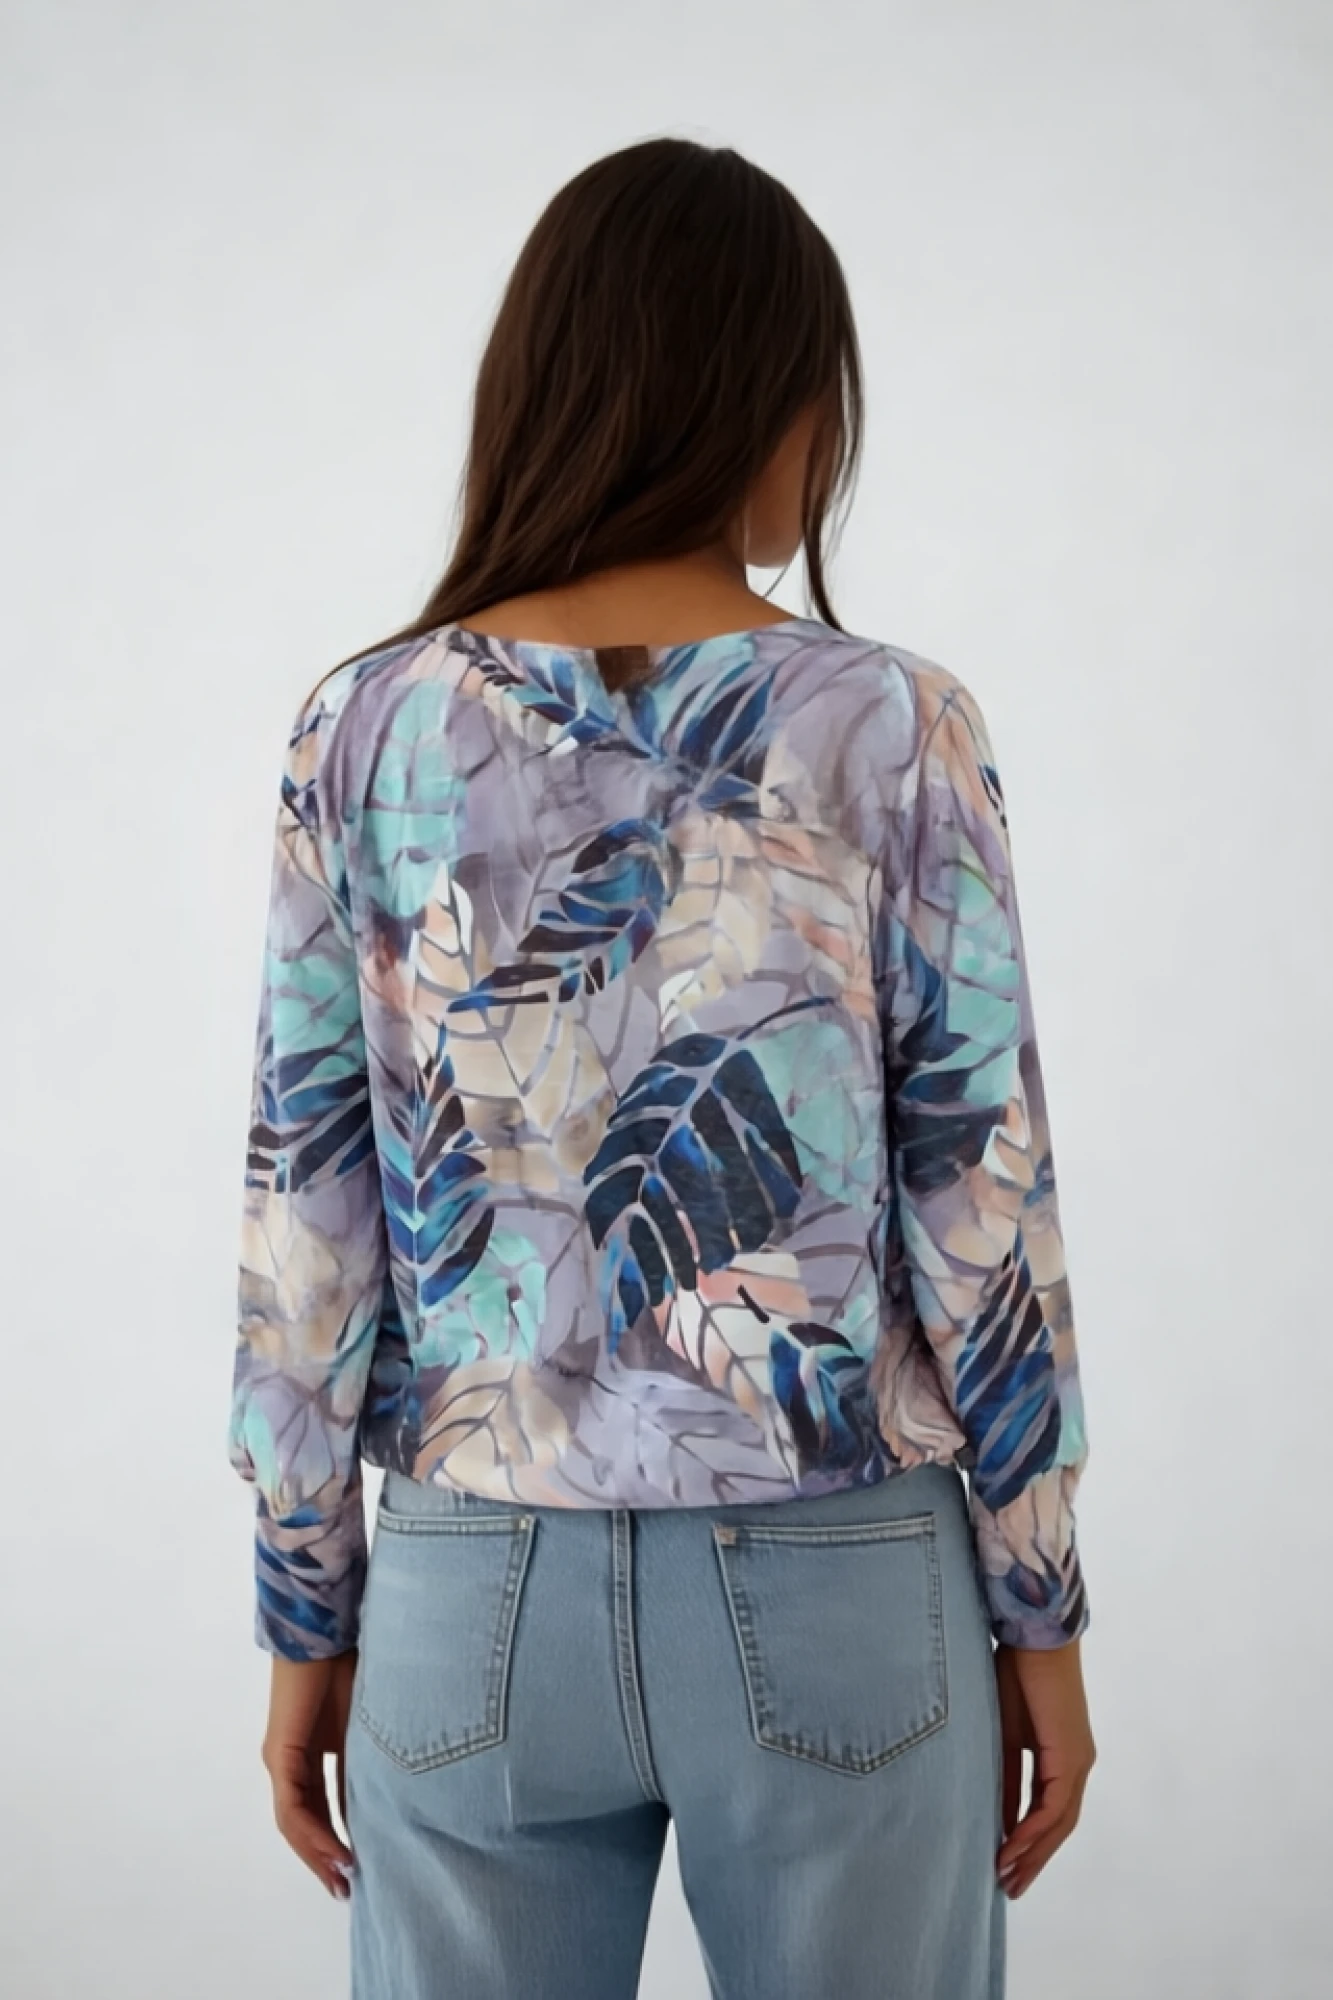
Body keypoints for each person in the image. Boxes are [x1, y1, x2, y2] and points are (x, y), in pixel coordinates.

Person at [228, 134, 1096, 2000]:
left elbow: (309, 1227)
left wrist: (307, 1610)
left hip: (472, 1596)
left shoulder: (366, 725)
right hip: (839, 1578)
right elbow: (983, 1211)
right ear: (763, 398)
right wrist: (1041, 1606)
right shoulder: (889, 724)